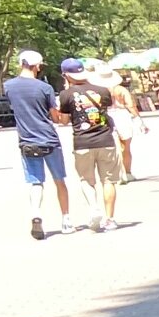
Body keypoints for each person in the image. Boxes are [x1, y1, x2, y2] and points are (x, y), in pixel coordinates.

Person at [3, 51, 72, 239]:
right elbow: (55, 117)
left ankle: (36, 213)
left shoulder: (9, 86)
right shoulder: (45, 88)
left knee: (35, 181)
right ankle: (66, 220)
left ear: (20, 63)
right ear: (38, 66)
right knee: (59, 180)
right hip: (49, 139)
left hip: (26, 140)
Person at [58, 60, 125, 232]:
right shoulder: (103, 91)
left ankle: (94, 208)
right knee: (109, 180)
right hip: (105, 140)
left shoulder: (66, 95)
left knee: (86, 180)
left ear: (66, 75)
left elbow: (64, 121)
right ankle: (110, 219)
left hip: (82, 142)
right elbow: (106, 110)